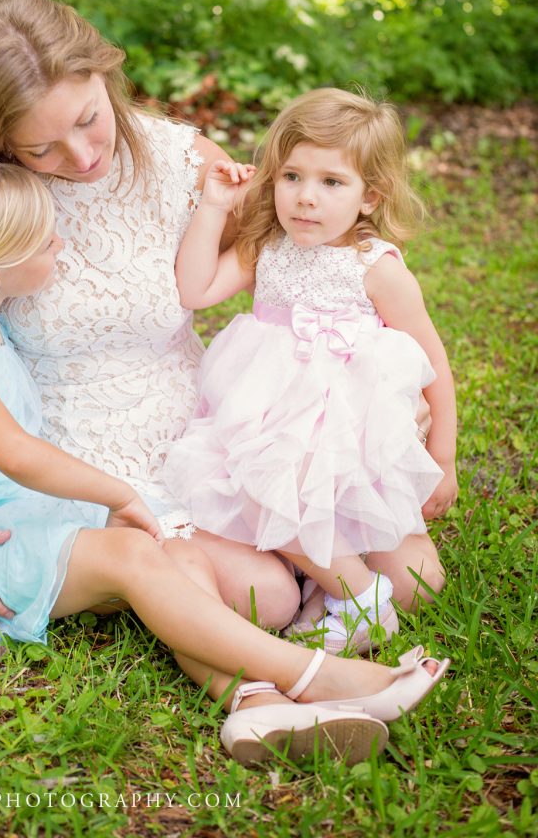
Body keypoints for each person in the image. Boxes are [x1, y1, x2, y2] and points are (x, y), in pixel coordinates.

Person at [0, 0, 443, 631]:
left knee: (417, 584)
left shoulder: (181, 159)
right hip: (90, 462)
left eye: (87, 118)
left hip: (217, 427)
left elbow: (305, 258)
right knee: (264, 598)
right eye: (40, 148)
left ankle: (301, 556)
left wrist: (367, 393)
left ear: (104, 73)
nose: (81, 156)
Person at [0, 153, 449, 767]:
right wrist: (120, 494)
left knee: (174, 552)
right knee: (136, 553)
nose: (60, 241)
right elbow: (17, 454)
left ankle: (252, 704)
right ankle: (317, 676)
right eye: (42, 238)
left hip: (30, 515)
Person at [162, 88, 458, 654]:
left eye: (332, 183)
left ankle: (333, 578)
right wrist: (215, 207)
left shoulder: (378, 268)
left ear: (370, 196)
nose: (305, 199)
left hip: (349, 449)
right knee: (272, 487)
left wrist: (441, 457)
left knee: (421, 585)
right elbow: (193, 290)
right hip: (268, 433)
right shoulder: (265, 248)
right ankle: (358, 596)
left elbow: (432, 365)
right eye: (292, 176)